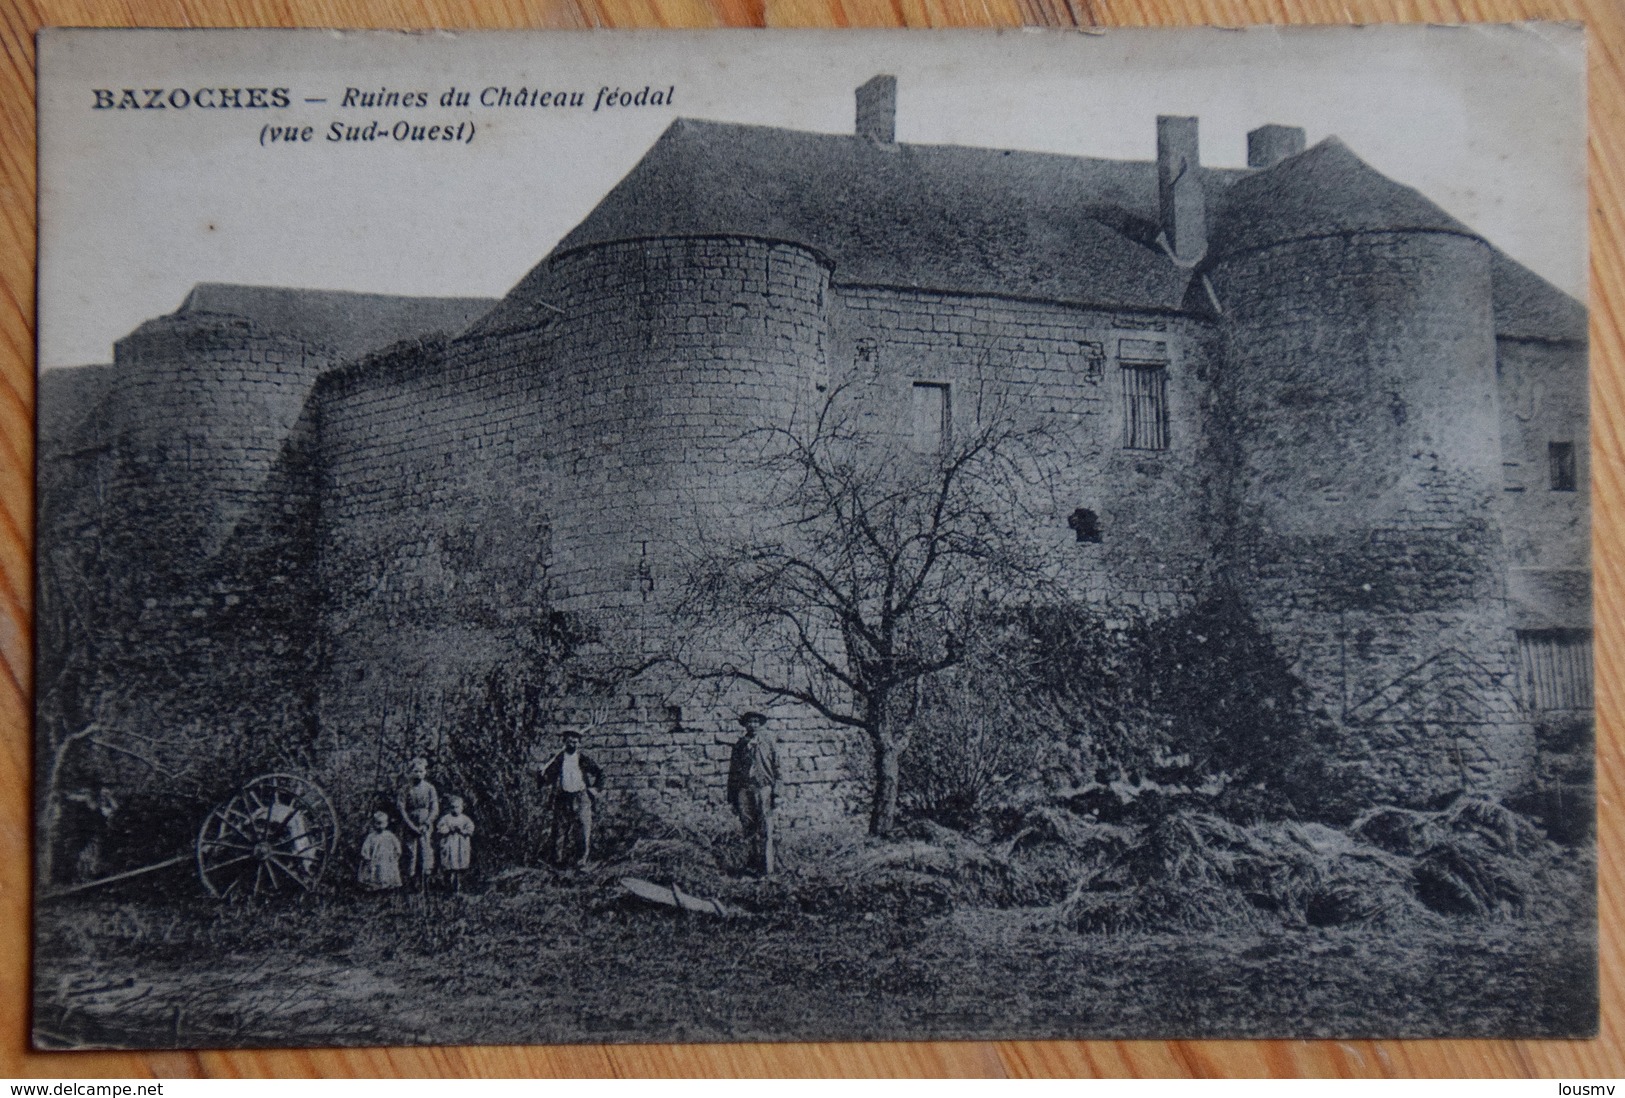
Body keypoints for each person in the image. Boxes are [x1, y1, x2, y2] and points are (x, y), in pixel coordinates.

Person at [538, 727, 603, 867]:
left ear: (579, 743)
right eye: (569, 742)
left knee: (583, 828)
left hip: (581, 797)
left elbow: (599, 772)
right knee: (560, 829)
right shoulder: (558, 760)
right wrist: (541, 775)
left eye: (575, 742)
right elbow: (548, 779)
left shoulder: (583, 759)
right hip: (563, 797)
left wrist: (595, 789)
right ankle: (557, 861)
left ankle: (581, 861)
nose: (572, 744)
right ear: (564, 742)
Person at [727, 710, 780, 876]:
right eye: (750, 722)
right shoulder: (740, 745)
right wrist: (732, 797)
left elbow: (778, 767)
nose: (753, 725)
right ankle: (752, 866)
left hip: (763, 788)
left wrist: (776, 792)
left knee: (765, 828)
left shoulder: (769, 742)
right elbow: (733, 772)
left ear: (760, 724)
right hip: (744, 789)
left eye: (756, 722)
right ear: (745, 725)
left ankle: (767, 869)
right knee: (748, 828)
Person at [396, 756, 440, 885]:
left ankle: (425, 880)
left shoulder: (430, 788)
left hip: (425, 823)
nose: (418, 774)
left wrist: (427, 822)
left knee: (425, 849)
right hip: (410, 823)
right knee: (410, 850)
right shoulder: (405, 789)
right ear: (410, 772)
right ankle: (410, 880)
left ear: (425, 772)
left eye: (421, 771)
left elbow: (434, 807)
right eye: (415, 771)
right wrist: (411, 826)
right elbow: (401, 809)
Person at [436, 795, 475, 893]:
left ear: (462, 807)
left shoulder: (465, 819)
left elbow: (470, 828)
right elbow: (440, 828)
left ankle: (458, 886)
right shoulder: (446, 818)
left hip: (460, 845)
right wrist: (448, 830)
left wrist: (463, 831)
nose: (455, 809)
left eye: (457, 807)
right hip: (450, 845)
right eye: (452, 807)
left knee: (459, 867)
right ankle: (448, 885)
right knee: (450, 866)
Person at [357, 811, 403, 891]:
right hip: (375, 858)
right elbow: (366, 847)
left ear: (386, 823)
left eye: (382, 823)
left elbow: (396, 845)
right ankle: (375, 887)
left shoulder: (390, 835)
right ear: (374, 824)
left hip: (387, 858)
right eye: (377, 823)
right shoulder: (371, 836)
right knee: (375, 872)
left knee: (386, 870)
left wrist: (397, 853)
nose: (380, 826)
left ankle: (387, 885)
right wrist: (366, 855)